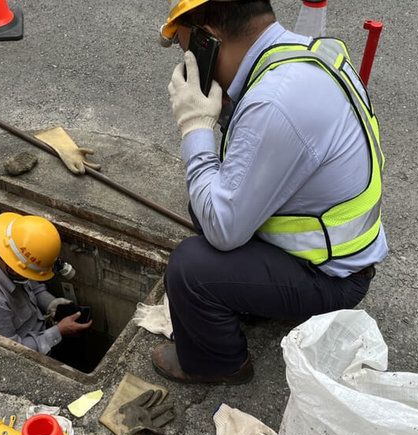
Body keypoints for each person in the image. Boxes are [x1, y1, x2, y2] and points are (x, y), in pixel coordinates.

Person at [153, 0, 387, 385]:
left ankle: (218, 364)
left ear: (208, 40)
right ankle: (250, 298)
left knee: (190, 269)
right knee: (203, 203)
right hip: (337, 250)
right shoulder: (300, 54)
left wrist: (195, 126)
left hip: (333, 277)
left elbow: (223, 229)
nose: (188, 66)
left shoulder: (274, 103)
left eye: (188, 52)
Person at [0, 212, 91, 357]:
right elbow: (9, 352)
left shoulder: (2, 243)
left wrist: (49, 302)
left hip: (34, 327)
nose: (30, 278)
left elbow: (28, 278)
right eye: (28, 274)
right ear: (12, 269)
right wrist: (58, 332)